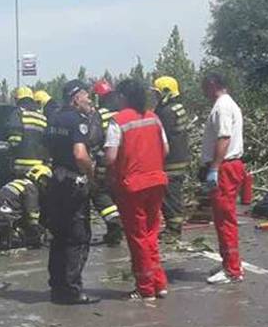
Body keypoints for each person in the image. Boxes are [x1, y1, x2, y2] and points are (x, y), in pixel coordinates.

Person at [105, 79, 170, 300]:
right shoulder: (154, 117)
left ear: (123, 97)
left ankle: (145, 288)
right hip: (157, 181)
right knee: (151, 233)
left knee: (138, 237)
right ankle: (159, 283)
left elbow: (111, 157)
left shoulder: (118, 121)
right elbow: (166, 148)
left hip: (132, 185)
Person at [44, 80, 99, 305]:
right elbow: (80, 154)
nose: (89, 101)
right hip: (73, 183)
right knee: (77, 237)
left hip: (56, 180)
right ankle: (72, 290)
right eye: (86, 96)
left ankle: (57, 287)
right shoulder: (77, 120)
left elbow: (45, 147)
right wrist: (92, 172)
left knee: (59, 236)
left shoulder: (53, 119)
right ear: (76, 98)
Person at [200, 72, 247, 284]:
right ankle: (229, 261)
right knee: (221, 218)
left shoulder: (222, 107)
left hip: (226, 167)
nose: (202, 91)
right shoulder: (226, 105)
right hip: (227, 166)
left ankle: (232, 270)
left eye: (204, 87)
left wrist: (215, 167)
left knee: (225, 219)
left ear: (212, 85)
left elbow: (224, 138)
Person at [152, 76, 191, 237]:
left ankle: (173, 230)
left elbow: (160, 136)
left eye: (157, 93)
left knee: (170, 196)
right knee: (174, 194)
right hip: (180, 158)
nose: (155, 97)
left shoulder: (167, 112)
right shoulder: (178, 107)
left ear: (165, 92)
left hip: (171, 162)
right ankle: (173, 227)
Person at [88, 80, 124, 246]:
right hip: (124, 163)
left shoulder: (100, 114)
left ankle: (113, 221)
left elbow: (93, 139)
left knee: (99, 194)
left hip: (105, 161)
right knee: (118, 196)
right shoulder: (124, 112)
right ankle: (115, 232)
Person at [0, 163, 50, 250]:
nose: (45, 184)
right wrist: (38, 231)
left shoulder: (18, 182)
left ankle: (9, 237)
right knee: (34, 230)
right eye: (45, 180)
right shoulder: (31, 188)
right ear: (39, 177)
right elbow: (31, 212)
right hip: (8, 218)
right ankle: (17, 236)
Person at [8, 86, 49, 178]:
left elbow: (15, 140)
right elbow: (46, 142)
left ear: (17, 99)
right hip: (39, 167)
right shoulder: (42, 116)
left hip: (21, 166)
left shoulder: (18, 113)